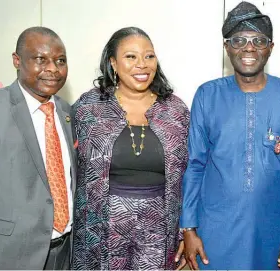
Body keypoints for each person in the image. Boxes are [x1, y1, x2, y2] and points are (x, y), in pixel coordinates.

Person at [180, 2, 280, 269]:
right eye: (239, 40)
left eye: (258, 40)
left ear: (271, 47)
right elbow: (194, 165)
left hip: (276, 228)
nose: (249, 47)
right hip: (215, 229)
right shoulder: (207, 95)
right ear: (227, 47)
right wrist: (188, 226)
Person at [72, 27, 189, 270]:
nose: (142, 64)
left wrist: (184, 230)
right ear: (113, 63)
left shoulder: (176, 110)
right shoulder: (88, 107)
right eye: (131, 56)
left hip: (159, 227)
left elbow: (190, 174)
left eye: (149, 56)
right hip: (100, 226)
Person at [0, 26, 75, 270]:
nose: (53, 69)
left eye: (60, 61)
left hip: (66, 255)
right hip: (11, 258)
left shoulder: (68, 113)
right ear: (17, 60)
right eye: (40, 59)